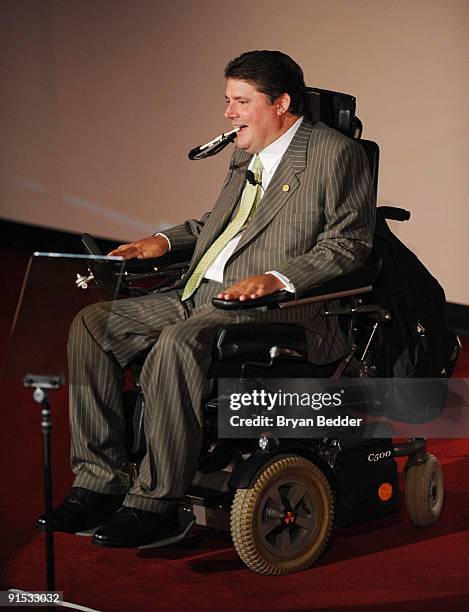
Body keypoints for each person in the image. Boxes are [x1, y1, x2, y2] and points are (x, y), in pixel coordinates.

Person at [37, 50, 375, 547]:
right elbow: (215, 226)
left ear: (281, 102)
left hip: (272, 307)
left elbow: (349, 245)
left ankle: (156, 503)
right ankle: (99, 483)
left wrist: (277, 277)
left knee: (178, 341)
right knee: (94, 324)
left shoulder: (334, 154)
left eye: (240, 101)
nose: (228, 112)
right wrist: (163, 241)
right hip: (200, 292)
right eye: (227, 100)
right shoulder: (246, 150)